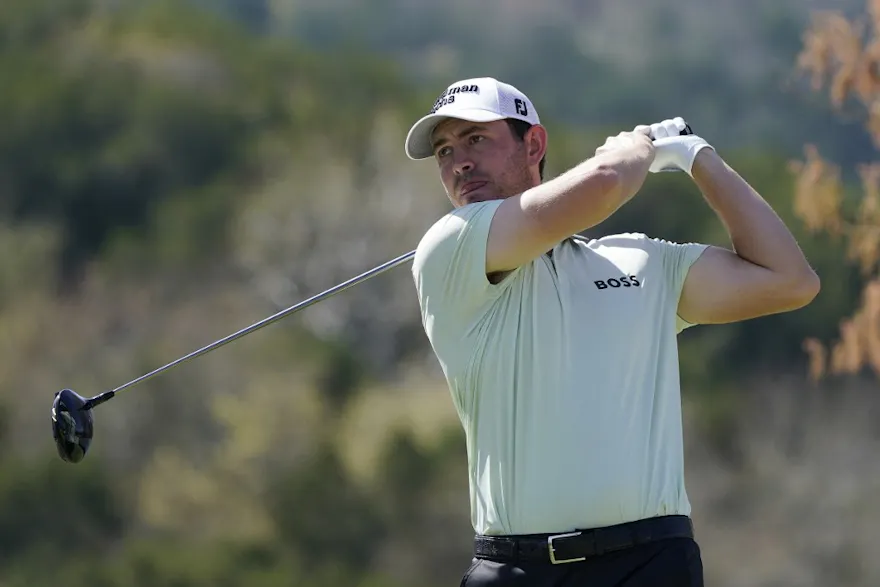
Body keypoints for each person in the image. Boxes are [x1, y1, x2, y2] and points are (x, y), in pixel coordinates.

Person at [404, 76, 820, 587]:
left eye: (476, 140)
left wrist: (698, 159)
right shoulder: (449, 247)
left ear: (533, 144)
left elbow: (789, 280)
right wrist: (635, 149)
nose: (458, 162)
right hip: (519, 569)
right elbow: (605, 184)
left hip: (651, 564)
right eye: (444, 150)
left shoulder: (638, 260)